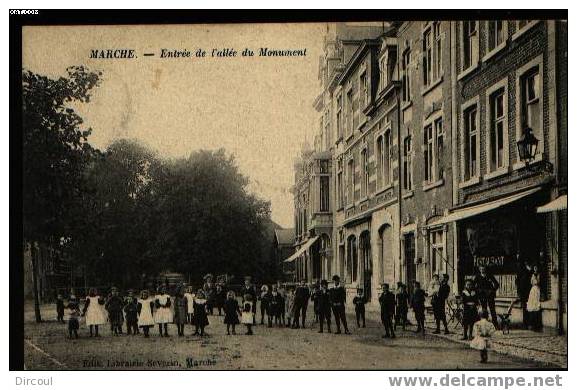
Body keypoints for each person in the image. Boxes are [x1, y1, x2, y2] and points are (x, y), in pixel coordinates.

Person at [527, 265, 542, 332]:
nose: (535, 269)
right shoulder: (533, 275)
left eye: (536, 268)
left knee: (536, 304)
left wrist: (536, 279)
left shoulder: (538, 275)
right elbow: (531, 282)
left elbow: (537, 282)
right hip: (533, 290)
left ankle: (536, 325)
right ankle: (532, 324)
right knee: (532, 304)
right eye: (534, 268)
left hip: (537, 289)